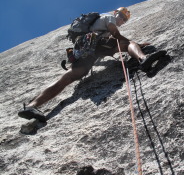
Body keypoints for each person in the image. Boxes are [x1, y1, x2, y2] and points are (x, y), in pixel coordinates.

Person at [18, 7, 166, 122]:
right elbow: (115, 34)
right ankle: (143, 59)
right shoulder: (108, 17)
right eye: (121, 16)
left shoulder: (97, 25)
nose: (121, 21)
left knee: (68, 78)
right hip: (95, 45)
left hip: (83, 50)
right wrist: (136, 44)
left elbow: (102, 47)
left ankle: (32, 106)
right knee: (129, 43)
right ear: (115, 13)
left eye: (124, 20)